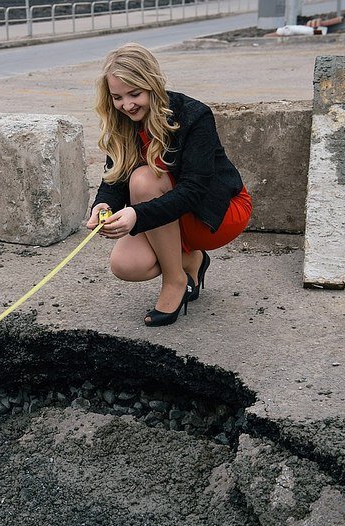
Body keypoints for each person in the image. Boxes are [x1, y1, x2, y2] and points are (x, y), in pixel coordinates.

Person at [86, 43, 252, 327]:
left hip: (215, 212)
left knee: (143, 179)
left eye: (135, 93)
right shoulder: (122, 122)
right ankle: (191, 261)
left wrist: (138, 215)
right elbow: (113, 180)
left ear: (152, 84)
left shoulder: (194, 115)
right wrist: (103, 204)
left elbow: (194, 191)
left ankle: (175, 282)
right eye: (117, 97)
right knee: (126, 265)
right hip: (166, 214)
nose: (127, 105)